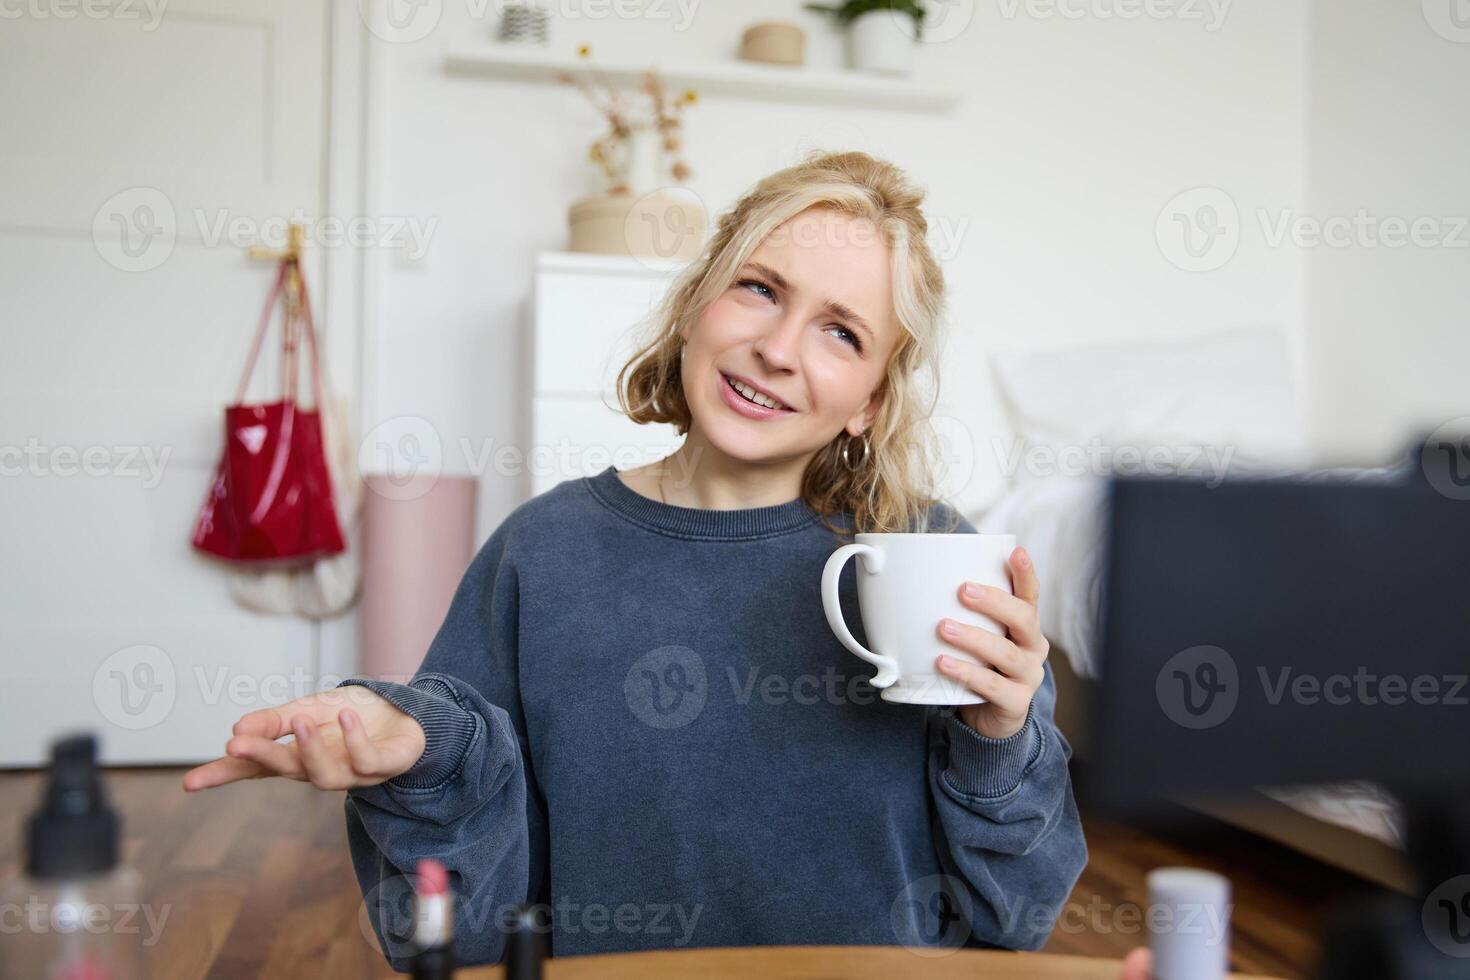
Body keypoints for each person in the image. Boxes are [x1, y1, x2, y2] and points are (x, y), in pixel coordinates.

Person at [182, 151, 1088, 971]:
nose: (777, 350)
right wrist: (419, 752)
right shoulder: (544, 550)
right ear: (699, 300)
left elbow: (1018, 918)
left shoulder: (939, 558)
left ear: (870, 400)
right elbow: (465, 924)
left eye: (841, 332)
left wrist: (998, 746)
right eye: (760, 289)